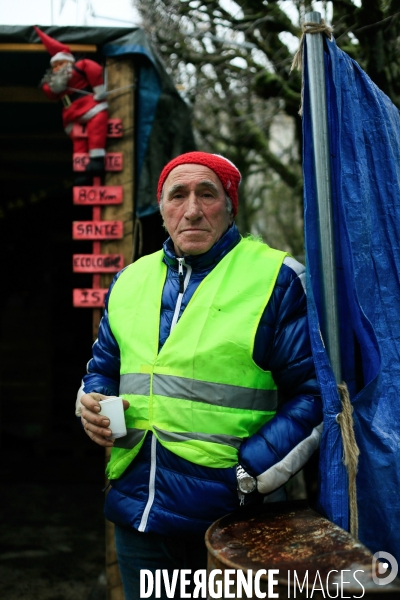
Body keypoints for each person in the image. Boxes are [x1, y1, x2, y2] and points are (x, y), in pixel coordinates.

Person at [75, 152, 322, 599]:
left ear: (231, 207)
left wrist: (250, 474)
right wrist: (93, 404)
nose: (191, 210)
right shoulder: (130, 279)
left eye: (206, 195)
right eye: (178, 196)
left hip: (235, 518)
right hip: (139, 515)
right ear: (163, 208)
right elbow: (104, 369)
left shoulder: (277, 279)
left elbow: (314, 395)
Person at [34, 26, 108, 185]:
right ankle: (81, 172)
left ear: (67, 61)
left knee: (97, 128)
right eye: (54, 66)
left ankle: (96, 160)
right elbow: (49, 92)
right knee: (79, 143)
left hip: (90, 107)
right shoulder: (56, 83)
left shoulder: (79, 67)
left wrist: (99, 90)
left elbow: (93, 69)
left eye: (59, 64)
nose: (56, 68)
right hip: (70, 114)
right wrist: (50, 83)